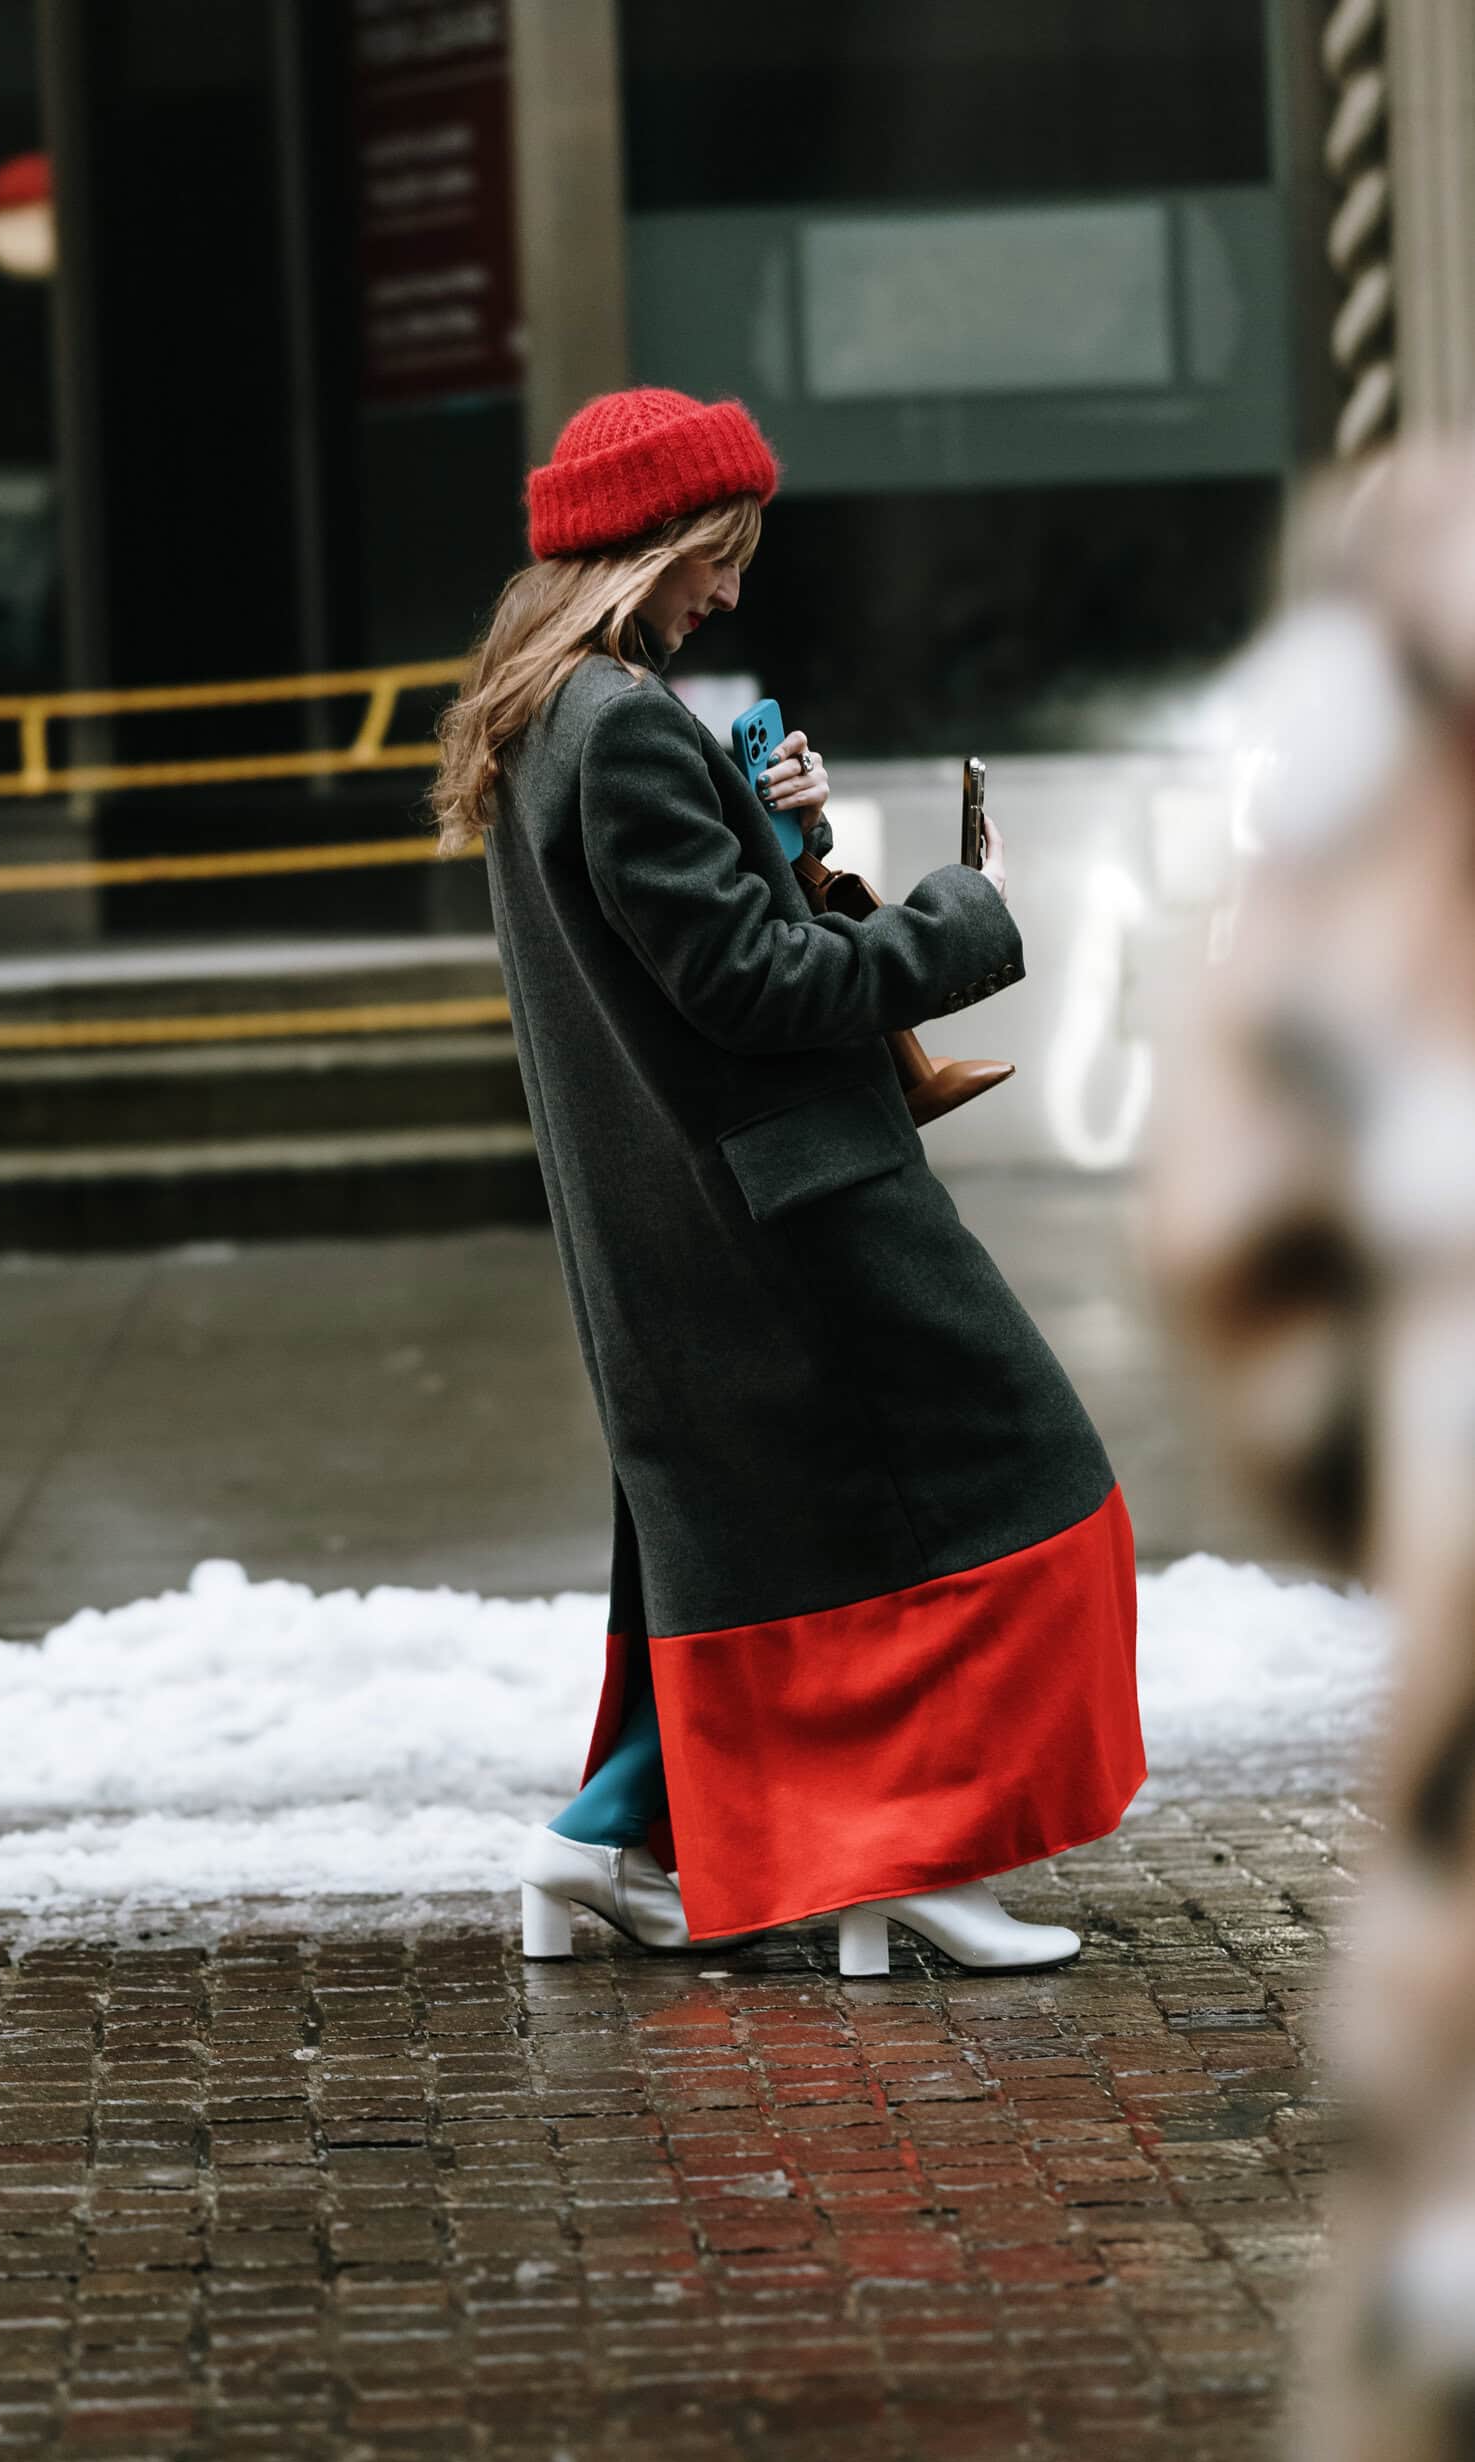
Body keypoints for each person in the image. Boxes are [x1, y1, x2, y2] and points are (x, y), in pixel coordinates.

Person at [432, 386, 1146, 1976]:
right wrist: (963, 919)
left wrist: (768, 828)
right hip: (794, 1218)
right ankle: (911, 1863)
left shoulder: (551, 721)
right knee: (1013, 1500)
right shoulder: (619, 727)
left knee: (787, 1557)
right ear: (645, 550)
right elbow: (751, 991)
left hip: (702, 1223)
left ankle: (604, 1844)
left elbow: (684, 957)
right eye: (719, 556)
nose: (732, 591)